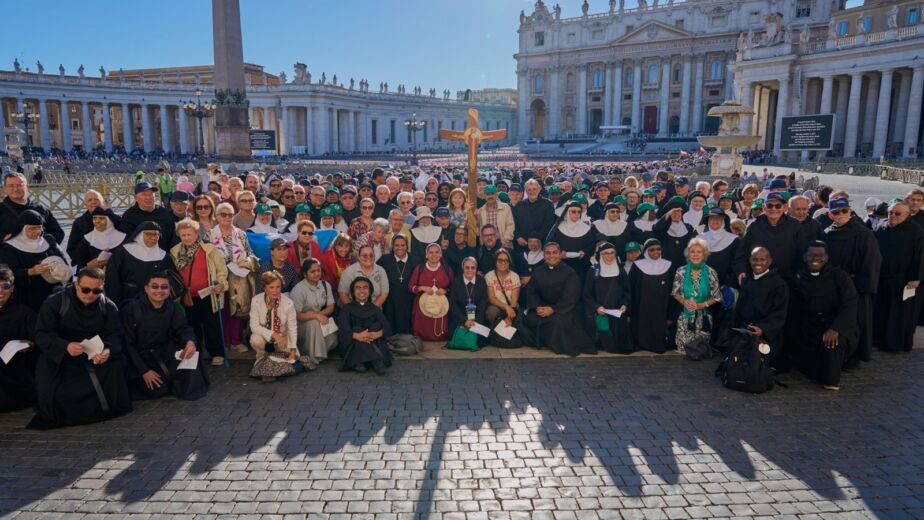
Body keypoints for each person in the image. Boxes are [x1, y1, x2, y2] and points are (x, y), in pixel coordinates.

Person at [29, 268, 132, 429]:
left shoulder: (107, 306)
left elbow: (115, 335)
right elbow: (42, 334)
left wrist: (107, 351)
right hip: (61, 354)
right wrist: (65, 346)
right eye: (85, 289)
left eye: (96, 291)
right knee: (55, 389)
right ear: (77, 285)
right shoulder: (55, 302)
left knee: (114, 369)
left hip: (94, 355)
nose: (90, 294)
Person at [121, 271, 209, 400]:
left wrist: (190, 342)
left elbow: (183, 328)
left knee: (191, 355)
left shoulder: (172, 307)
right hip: (140, 359)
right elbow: (127, 344)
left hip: (165, 353)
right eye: (155, 286)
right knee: (156, 390)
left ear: (169, 290)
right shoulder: (132, 309)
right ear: (146, 289)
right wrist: (144, 371)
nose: (159, 291)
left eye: (164, 287)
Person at [789, 242, 859, 390]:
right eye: (811, 255)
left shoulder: (840, 277)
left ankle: (832, 378)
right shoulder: (799, 277)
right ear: (805, 257)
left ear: (826, 258)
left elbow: (850, 305)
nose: (816, 258)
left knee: (833, 344)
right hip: (810, 327)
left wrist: (836, 328)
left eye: (820, 255)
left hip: (834, 325)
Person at [821, 196, 881, 365]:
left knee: (856, 322)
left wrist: (864, 287)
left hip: (856, 287)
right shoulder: (827, 233)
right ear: (830, 214)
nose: (840, 214)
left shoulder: (863, 234)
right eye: (836, 212)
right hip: (834, 288)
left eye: (844, 211)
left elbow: (872, 261)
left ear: (850, 211)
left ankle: (853, 356)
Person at [171, 219, 229, 367]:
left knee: (212, 325)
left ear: (197, 234)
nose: (186, 238)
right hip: (187, 296)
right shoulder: (175, 251)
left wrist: (221, 284)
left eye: (189, 234)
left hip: (208, 294)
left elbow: (221, 270)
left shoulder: (209, 249)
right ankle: (195, 353)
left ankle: (217, 353)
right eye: (183, 235)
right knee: (192, 326)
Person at [523, 242, 595, 356]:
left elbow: (570, 297)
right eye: (548, 253)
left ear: (560, 254)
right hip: (542, 308)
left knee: (558, 321)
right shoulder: (538, 272)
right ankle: (542, 342)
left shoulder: (570, 273)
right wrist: (537, 307)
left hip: (563, 309)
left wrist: (553, 309)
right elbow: (532, 292)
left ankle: (556, 345)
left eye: (554, 252)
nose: (551, 256)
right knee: (529, 318)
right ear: (544, 255)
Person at [874, 202, 924, 353]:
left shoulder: (915, 231)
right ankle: (878, 341)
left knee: (899, 314)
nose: (892, 216)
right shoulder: (881, 226)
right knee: (881, 311)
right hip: (882, 277)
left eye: (897, 213)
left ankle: (896, 344)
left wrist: (916, 278)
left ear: (907, 215)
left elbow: (920, 256)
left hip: (903, 280)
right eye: (890, 212)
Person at [209, 202, 259, 355]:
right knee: (223, 310)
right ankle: (224, 342)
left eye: (230, 214)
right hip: (219, 278)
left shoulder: (241, 234)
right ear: (217, 216)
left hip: (238, 277)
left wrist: (246, 262)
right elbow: (207, 257)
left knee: (237, 310)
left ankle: (236, 341)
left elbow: (250, 253)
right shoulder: (209, 235)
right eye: (223, 214)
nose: (227, 217)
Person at [731, 247, 790, 370]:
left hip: (767, 334)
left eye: (762, 260)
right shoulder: (747, 280)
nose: (758, 263)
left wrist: (762, 328)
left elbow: (779, 313)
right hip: (745, 330)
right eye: (755, 259)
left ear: (769, 261)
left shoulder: (779, 285)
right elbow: (739, 309)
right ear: (750, 260)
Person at [0, 210, 70, 313]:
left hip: (53, 291)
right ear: (22, 228)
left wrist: (60, 267)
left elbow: (63, 259)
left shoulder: (48, 240)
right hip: (27, 295)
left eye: (40, 227)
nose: (37, 231)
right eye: (32, 228)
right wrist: (30, 271)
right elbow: (6, 275)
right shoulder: (9, 248)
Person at [733, 192, 806, 285]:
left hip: (789, 279)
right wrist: (741, 270)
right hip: (760, 279)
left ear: (784, 207)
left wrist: (800, 273)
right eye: (770, 206)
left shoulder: (795, 226)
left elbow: (802, 252)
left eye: (778, 206)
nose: (774, 209)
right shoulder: (755, 226)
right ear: (764, 207)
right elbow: (742, 252)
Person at [248, 271, 309, 382]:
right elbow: (254, 326)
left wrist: (293, 348)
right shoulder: (256, 300)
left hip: (283, 336)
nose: (275, 290)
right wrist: (273, 335)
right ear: (264, 287)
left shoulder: (288, 303)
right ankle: (261, 357)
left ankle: (274, 365)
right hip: (264, 336)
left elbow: (292, 327)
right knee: (256, 340)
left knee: (293, 358)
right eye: (271, 287)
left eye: (278, 287)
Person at [104, 222, 175, 307]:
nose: (153, 237)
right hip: (128, 301)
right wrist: (115, 303)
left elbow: (171, 279)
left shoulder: (164, 256)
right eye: (148, 234)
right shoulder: (123, 253)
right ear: (140, 235)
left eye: (156, 234)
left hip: (157, 303)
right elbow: (112, 279)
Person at [671, 238, 721, 354]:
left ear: (704, 254)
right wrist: (684, 302)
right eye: (692, 251)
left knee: (699, 352)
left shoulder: (711, 272)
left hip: (703, 320)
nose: (695, 254)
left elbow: (717, 297)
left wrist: (701, 305)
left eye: (699, 252)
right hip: (685, 319)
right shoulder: (681, 271)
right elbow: (675, 293)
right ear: (688, 254)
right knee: (684, 354)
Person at [0, 265, 38, 412]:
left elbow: (38, 339)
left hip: (14, 371)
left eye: (5, 286)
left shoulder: (24, 312)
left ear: (12, 288)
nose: (1, 291)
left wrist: (30, 344)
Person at [582, 242, 632, 354]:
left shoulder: (620, 270)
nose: (609, 256)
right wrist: (596, 307)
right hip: (602, 313)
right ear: (600, 255)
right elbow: (587, 294)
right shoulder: (594, 271)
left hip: (618, 313)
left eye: (612, 253)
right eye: (606, 253)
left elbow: (627, 291)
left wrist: (625, 305)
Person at [337, 277, 393, 374]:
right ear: (353, 292)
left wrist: (377, 334)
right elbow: (343, 329)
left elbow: (388, 328)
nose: (362, 291)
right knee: (357, 329)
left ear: (370, 291)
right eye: (358, 288)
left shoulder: (374, 309)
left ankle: (360, 362)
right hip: (351, 345)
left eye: (365, 287)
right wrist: (357, 336)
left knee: (376, 326)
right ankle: (376, 361)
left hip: (371, 341)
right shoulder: (347, 309)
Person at [628, 239, 673, 353]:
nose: (655, 252)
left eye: (658, 249)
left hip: (662, 305)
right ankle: (642, 343)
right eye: (652, 250)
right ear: (646, 252)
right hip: (642, 305)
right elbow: (630, 288)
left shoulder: (668, 265)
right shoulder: (638, 265)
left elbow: (673, 289)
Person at [290, 259, 337, 369]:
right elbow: (296, 315)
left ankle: (317, 353)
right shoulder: (298, 289)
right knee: (314, 323)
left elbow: (331, 307)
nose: (316, 274)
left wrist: (318, 314)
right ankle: (313, 358)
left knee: (333, 339)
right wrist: (315, 316)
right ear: (305, 274)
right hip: (302, 325)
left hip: (320, 319)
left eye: (318, 270)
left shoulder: (325, 285)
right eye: (312, 271)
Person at [0, 172, 64, 245]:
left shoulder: (40, 209)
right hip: (8, 251)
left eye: (20, 185)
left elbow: (57, 233)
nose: (15, 189)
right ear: (5, 189)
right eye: (11, 186)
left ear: (27, 187)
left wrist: (41, 239)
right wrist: (4, 238)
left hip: (39, 251)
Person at [408, 243, 454, 341]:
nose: (434, 255)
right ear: (426, 255)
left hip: (440, 305)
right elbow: (410, 287)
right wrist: (421, 288)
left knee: (439, 334)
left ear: (441, 255)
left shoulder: (447, 269)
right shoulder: (419, 269)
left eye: (437, 252)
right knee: (421, 333)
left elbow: (453, 288)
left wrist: (445, 290)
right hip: (422, 305)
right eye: (431, 252)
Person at [377, 235, 420, 335]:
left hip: (409, 298)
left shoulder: (416, 260)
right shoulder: (384, 260)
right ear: (392, 247)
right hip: (390, 299)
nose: (400, 248)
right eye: (396, 245)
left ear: (407, 246)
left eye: (403, 245)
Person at [547, 201, 595, 283]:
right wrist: (559, 253)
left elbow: (591, 245)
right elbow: (551, 244)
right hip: (561, 265)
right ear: (567, 212)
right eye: (573, 211)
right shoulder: (558, 228)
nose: (577, 214)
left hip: (580, 267)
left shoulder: (586, 228)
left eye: (579, 212)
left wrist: (585, 252)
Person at [119, 182, 175, 250]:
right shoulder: (129, 216)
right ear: (136, 198)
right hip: (138, 254)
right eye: (144, 194)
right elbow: (125, 241)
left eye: (151, 194)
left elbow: (172, 236)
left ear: (155, 197)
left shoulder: (164, 213)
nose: (148, 197)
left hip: (163, 253)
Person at [484, 249, 523, 348]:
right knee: (491, 312)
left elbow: (514, 300)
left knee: (516, 318)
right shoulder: (489, 276)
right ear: (495, 262)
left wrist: (510, 317)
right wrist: (506, 307)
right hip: (496, 306)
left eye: (506, 260)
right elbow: (492, 298)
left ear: (509, 262)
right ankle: (492, 334)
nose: (503, 263)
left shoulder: (514, 276)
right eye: (500, 260)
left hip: (512, 306)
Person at [447, 256, 489, 348]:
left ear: (476, 269)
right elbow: (453, 305)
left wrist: (475, 322)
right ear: (463, 268)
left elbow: (483, 304)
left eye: (473, 268)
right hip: (460, 318)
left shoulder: (481, 282)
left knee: (481, 340)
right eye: (467, 268)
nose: (470, 270)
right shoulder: (456, 282)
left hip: (477, 318)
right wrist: (464, 321)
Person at [71, 207, 126, 271]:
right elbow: (76, 265)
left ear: (109, 221)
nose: (97, 221)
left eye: (101, 218)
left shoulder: (122, 238)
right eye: (94, 218)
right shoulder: (87, 239)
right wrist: (88, 266)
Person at [66, 189, 111, 260]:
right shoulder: (79, 223)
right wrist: (88, 264)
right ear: (85, 205)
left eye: (96, 199)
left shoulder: (113, 219)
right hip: (88, 263)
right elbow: (72, 250)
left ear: (103, 203)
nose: (93, 202)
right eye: (89, 200)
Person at [700, 208, 739, 287]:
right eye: (712, 218)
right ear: (708, 221)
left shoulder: (734, 239)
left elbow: (736, 263)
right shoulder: (699, 238)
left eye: (718, 218)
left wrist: (729, 284)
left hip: (725, 285)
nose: (715, 220)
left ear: (723, 221)